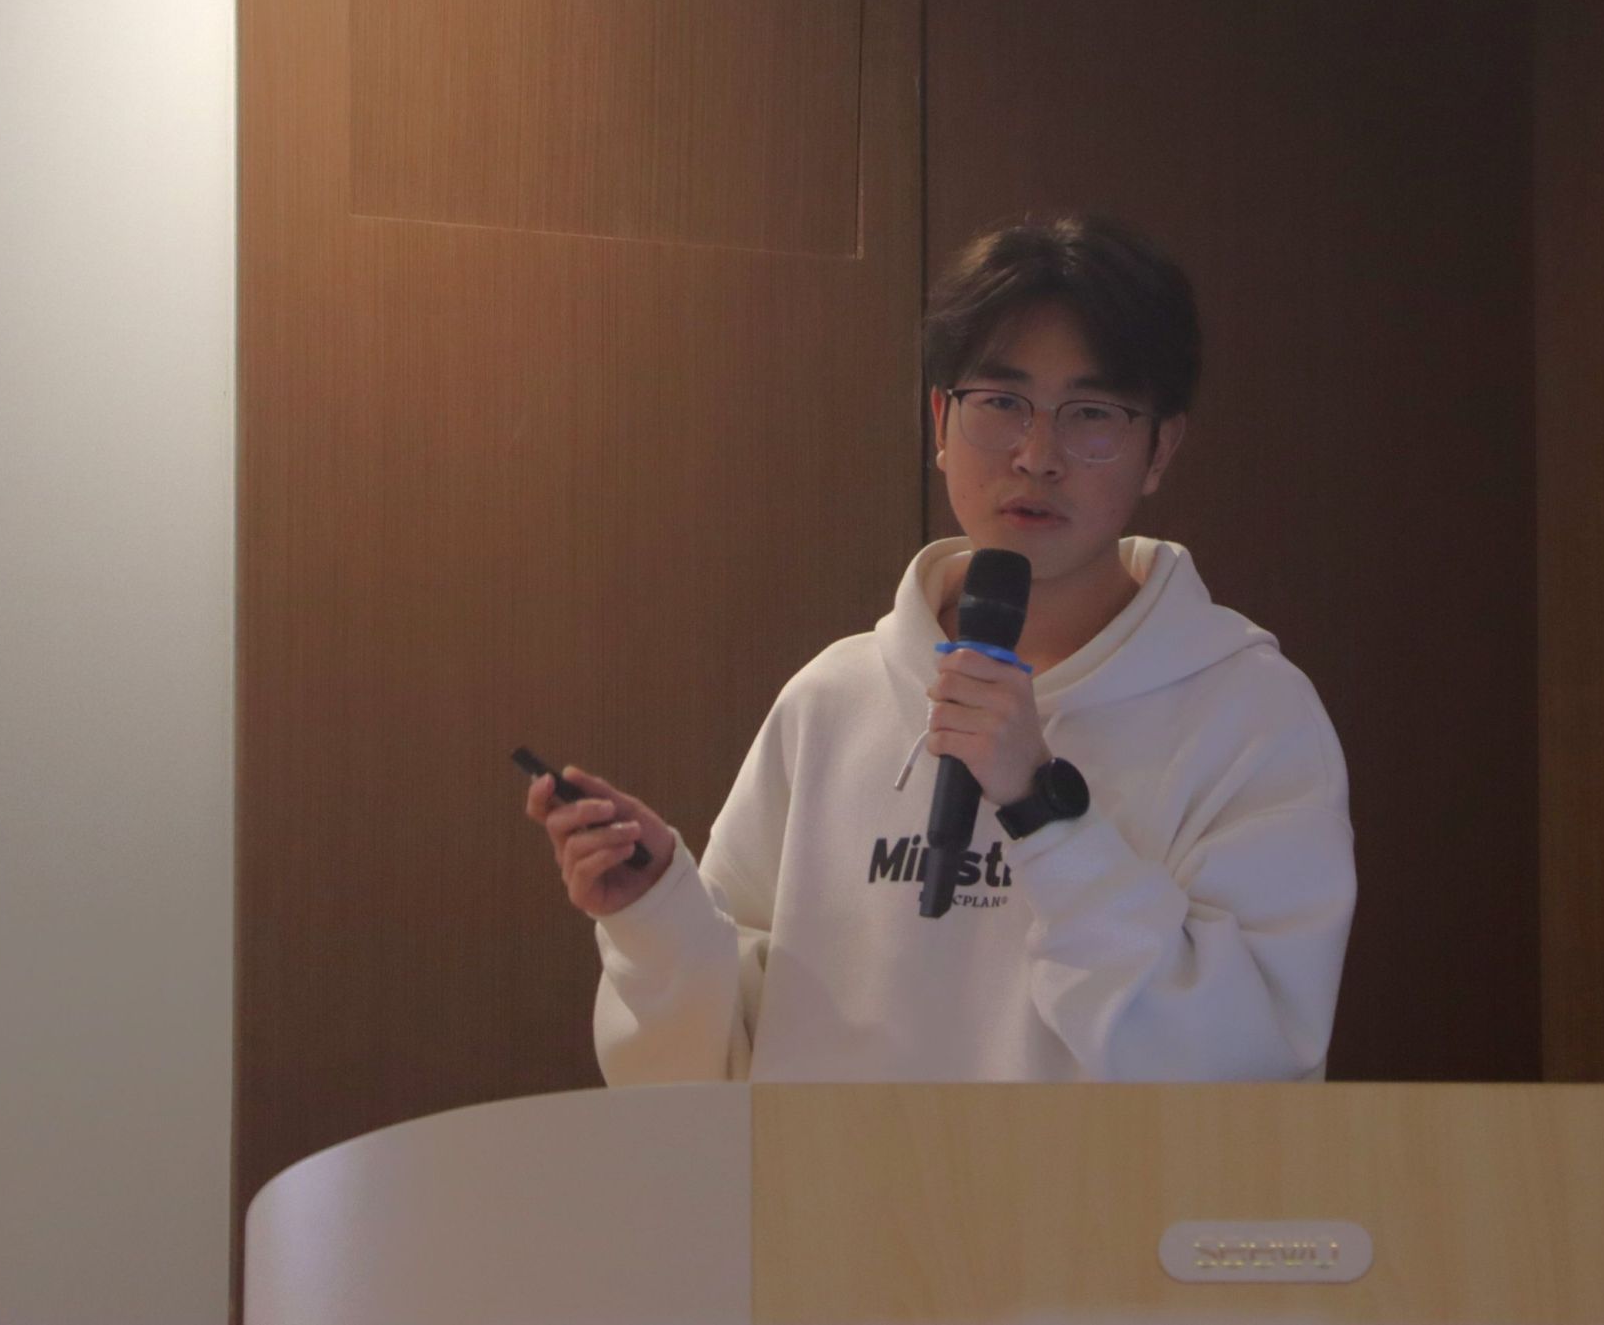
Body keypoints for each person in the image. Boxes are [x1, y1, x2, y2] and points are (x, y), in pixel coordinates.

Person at [527, 214, 1355, 1083]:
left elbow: (1252, 1067)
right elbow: (722, 1060)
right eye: (1000, 403)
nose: (1037, 455)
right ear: (940, 419)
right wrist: (656, 915)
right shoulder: (833, 700)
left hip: (1092, 1183)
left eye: (1092, 414)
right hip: (835, 1179)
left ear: (1161, 448)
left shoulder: (1249, 714)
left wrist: (1043, 809)